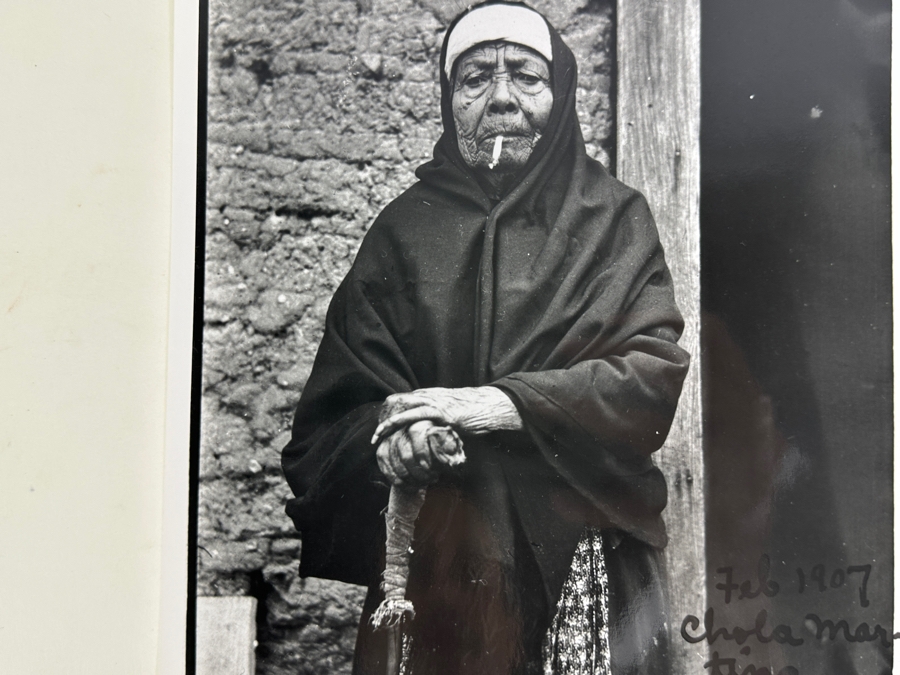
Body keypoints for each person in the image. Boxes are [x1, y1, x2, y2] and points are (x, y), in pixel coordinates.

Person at [281, 2, 689, 673]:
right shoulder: (403, 233)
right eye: (475, 79)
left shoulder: (614, 220)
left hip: (585, 555)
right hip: (445, 563)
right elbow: (329, 425)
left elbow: (649, 378)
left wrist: (495, 404)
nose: (502, 98)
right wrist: (394, 436)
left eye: (526, 77)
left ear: (558, 97)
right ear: (450, 101)